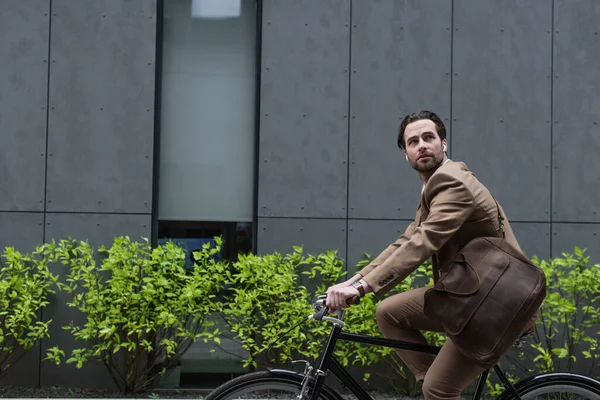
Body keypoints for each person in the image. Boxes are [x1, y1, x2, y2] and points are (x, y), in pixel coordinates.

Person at [325, 110, 532, 400]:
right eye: (413, 141)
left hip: (493, 306)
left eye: (428, 137)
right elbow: (406, 240)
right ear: (406, 154)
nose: (421, 145)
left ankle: (439, 390)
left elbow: (424, 241)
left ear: (443, 144)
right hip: (469, 297)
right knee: (388, 313)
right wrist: (354, 280)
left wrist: (362, 289)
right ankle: (436, 389)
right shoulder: (434, 187)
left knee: (439, 388)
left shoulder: (453, 182)